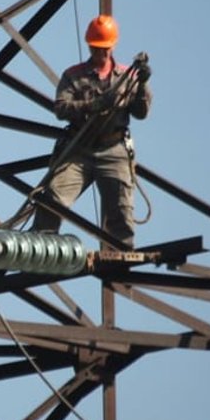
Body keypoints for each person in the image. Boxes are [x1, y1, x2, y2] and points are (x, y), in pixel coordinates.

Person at [30, 14, 152, 250]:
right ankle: (40, 248)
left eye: (104, 49)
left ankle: (119, 255)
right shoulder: (74, 75)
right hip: (80, 148)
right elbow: (61, 108)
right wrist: (92, 105)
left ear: (113, 46)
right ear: (90, 46)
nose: (100, 53)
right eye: (96, 48)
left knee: (120, 207)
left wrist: (143, 84)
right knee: (53, 197)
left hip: (113, 148)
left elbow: (141, 112)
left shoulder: (128, 77)